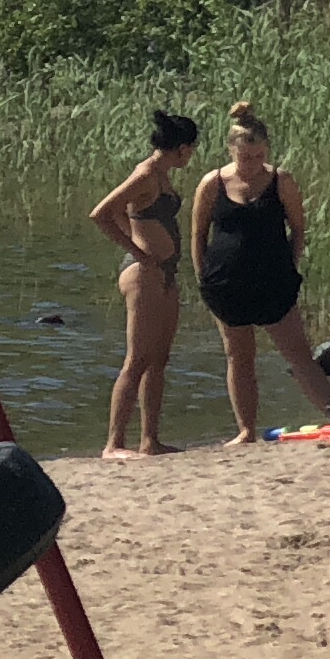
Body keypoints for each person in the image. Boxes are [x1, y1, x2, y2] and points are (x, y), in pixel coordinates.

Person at [192, 102, 330, 442]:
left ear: (266, 151)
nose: (252, 164)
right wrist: (204, 280)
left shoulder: (280, 181)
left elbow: (298, 228)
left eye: (258, 156)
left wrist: (291, 264)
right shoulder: (212, 183)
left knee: (298, 353)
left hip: (274, 281)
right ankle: (246, 429)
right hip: (226, 284)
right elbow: (198, 235)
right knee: (239, 356)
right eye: (245, 157)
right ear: (231, 150)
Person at [91, 109, 200, 456]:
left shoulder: (162, 174)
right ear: (182, 148)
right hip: (143, 274)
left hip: (164, 272)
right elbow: (102, 213)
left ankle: (150, 439)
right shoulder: (146, 174)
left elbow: (127, 216)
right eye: (192, 149)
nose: (192, 155)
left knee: (159, 358)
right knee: (137, 358)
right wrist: (138, 252)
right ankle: (113, 444)